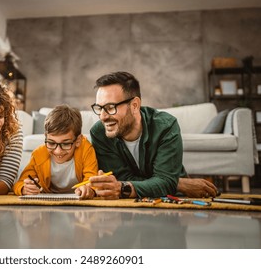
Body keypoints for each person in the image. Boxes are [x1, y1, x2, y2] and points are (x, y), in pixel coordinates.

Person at [89, 71, 219, 199]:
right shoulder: (99, 133)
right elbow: (122, 179)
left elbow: (123, 184)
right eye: (99, 108)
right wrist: (176, 183)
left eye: (110, 107)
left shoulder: (166, 126)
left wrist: (166, 182)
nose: (102, 116)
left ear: (134, 105)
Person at [13, 105, 98, 199]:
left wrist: (88, 189)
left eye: (66, 144)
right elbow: (19, 183)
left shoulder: (85, 149)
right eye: (51, 143)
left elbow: (92, 179)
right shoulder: (38, 155)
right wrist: (24, 188)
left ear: (78, 141)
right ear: (45, 137)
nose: (58, 151)